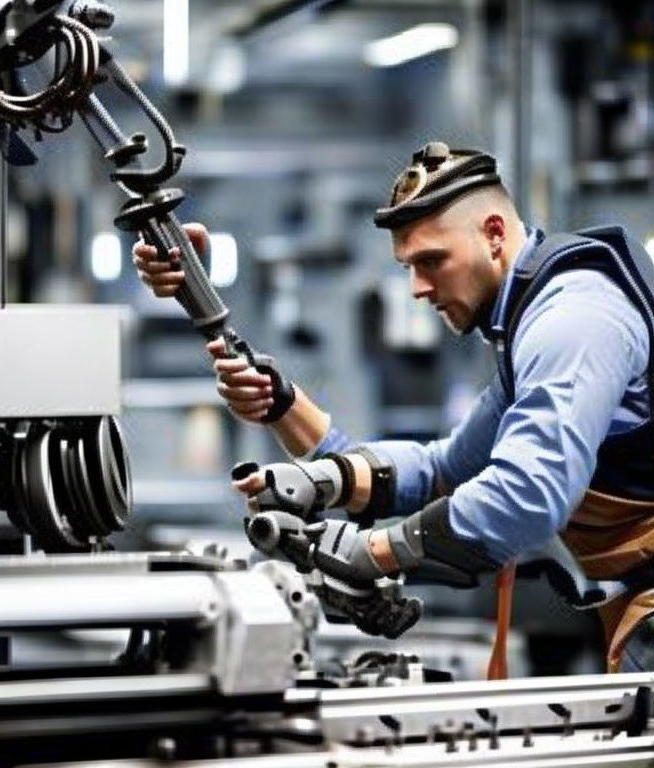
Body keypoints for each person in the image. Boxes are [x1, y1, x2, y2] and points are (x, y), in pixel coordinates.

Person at [133, 141, 654, 674]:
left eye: (432, 261)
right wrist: (299, 437)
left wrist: (373, 553)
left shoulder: (572, 318)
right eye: (408, 266)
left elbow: (527, 495)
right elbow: (440, 473)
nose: (417, 288)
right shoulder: (524, 330)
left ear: (494, 234)